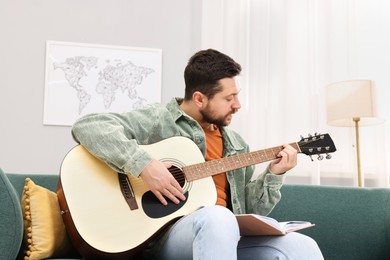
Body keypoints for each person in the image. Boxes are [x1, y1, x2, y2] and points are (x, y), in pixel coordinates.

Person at [71, 49, 324, 260]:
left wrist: (273, 174)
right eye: (229, 98)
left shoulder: (236, 144)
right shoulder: (160, 121)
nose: (238, 105)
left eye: (237, 96)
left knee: (303, 246)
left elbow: (248, 209)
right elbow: (89, 126)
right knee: (217, 217)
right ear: (200, 98)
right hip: (166, 238)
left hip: (225, 236)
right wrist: (145, 166)